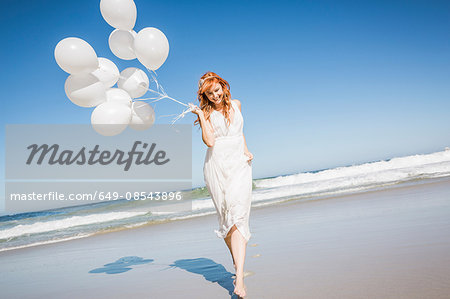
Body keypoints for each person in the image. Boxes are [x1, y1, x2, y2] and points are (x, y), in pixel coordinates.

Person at [190, 71, 254, 298]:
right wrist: (200, 113)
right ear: (204, 95)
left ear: (224, 87)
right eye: (209, 93)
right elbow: (209, 141)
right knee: (227, 218)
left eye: (217, 91)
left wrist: (246, 149)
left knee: (238, 215)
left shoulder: (237, 103)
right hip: (217, 165)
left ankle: (239, 277)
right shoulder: (205, 112)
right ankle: (238, 262)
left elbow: (240, 131)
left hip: (239, 163)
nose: (215, 96)